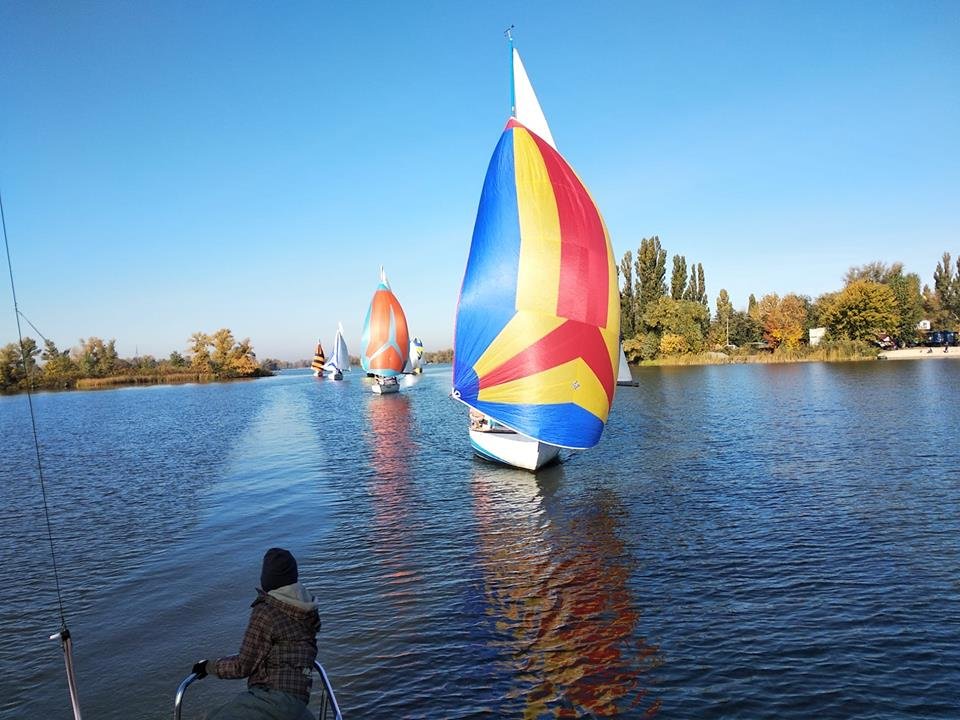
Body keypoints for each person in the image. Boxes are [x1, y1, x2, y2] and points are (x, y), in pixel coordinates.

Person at [191, 548, 321, 720]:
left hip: (271, 697)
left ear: (267, 578)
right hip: (298, 703)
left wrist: (208, 666)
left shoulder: (266, 611)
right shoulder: (307, 610)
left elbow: (242, 666)